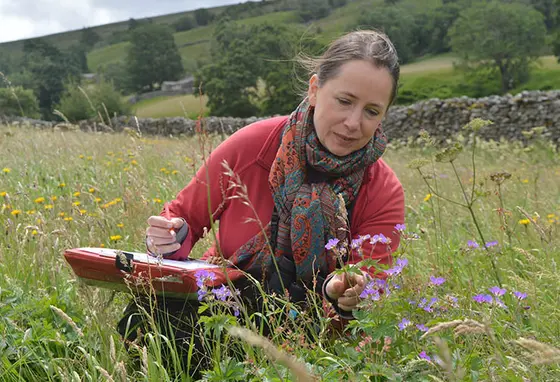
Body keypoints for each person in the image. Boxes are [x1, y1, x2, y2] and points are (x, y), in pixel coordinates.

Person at [117, 29, 405, 374]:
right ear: (315, 90)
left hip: (310, 343)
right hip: (220, 308)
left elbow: (368, 295)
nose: (353, 123)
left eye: (372, 111)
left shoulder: (382, 189)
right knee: (153, 315)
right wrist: (168, 236)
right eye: (344, 101)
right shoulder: (254, 145)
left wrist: (343, 294)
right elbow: (183, 220)